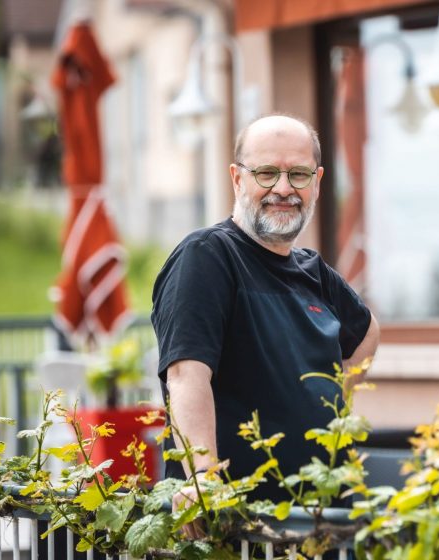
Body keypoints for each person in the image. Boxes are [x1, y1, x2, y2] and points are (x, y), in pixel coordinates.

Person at [151, 114, 380, 535]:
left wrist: (334, 405)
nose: (283, 189)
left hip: (316, 520)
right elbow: (186, 375)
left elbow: (367, 333)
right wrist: (203, 476)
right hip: (236, 527)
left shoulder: (314, 272)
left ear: (317, 181)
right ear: (238, 179)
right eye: (267, 173)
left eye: (298, 174)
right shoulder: (207, 257)